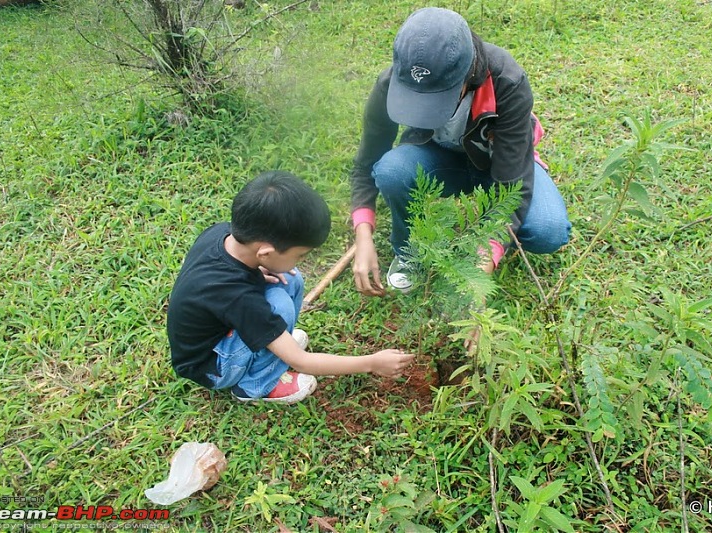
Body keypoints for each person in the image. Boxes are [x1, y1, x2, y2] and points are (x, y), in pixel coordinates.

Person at [350, 7, 572, 295]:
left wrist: (482, 267)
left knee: (548, 231)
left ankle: (490, 232)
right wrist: (363, 235)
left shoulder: (507, 81)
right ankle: (409, 251)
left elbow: (512, 185)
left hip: (499, 165)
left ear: (468, 74)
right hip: (441, 159)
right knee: (392, 170)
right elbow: (366, 162)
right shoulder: (391, 83)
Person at [167, 171, 415, 404]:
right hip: (212, 366)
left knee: (290, 279)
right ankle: (254, 385)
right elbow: (302, 361)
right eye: (300, 255)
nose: (302, 260)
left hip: (220, 329)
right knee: (280, 307)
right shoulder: (238, 298)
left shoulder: (223, 234)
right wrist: (371, 362)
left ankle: (272, 347)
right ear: (265, 252)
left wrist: (257, 269)